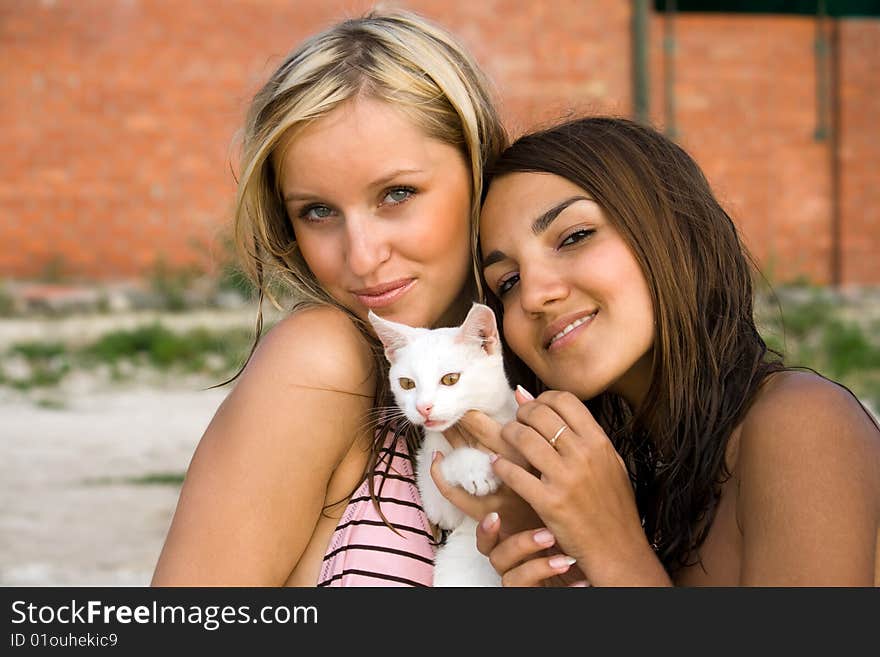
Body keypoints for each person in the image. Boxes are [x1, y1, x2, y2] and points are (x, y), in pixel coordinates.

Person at [432, 116, 880, 586]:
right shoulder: (644, 477)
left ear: (670, 229)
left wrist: (614, 549)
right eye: (508, 282)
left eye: (574, 236)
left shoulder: (800, 422)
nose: (533, 296)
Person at [151, 9, 506, 586]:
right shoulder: (321, 363)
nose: (362, 257)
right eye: (318, 211)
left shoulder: (553, 361)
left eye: (397, 193)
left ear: (479, 168)